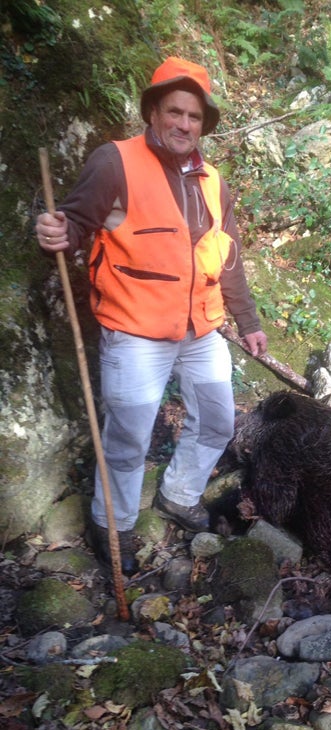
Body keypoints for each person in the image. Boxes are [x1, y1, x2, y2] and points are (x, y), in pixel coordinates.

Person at [35, 56, 267, 576]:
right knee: (128, 439)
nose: (184, 124)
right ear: (154, 112)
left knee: (216, 421)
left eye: (194, 117)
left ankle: (179, 496)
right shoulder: (114, 162)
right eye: (175, 112)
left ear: (203, 124)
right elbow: (75, 223)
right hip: (135, 331)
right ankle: (111, 526)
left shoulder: (214, 182)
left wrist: (247, 320)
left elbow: (226, 257)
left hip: (201, 328)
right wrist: (58, 233)